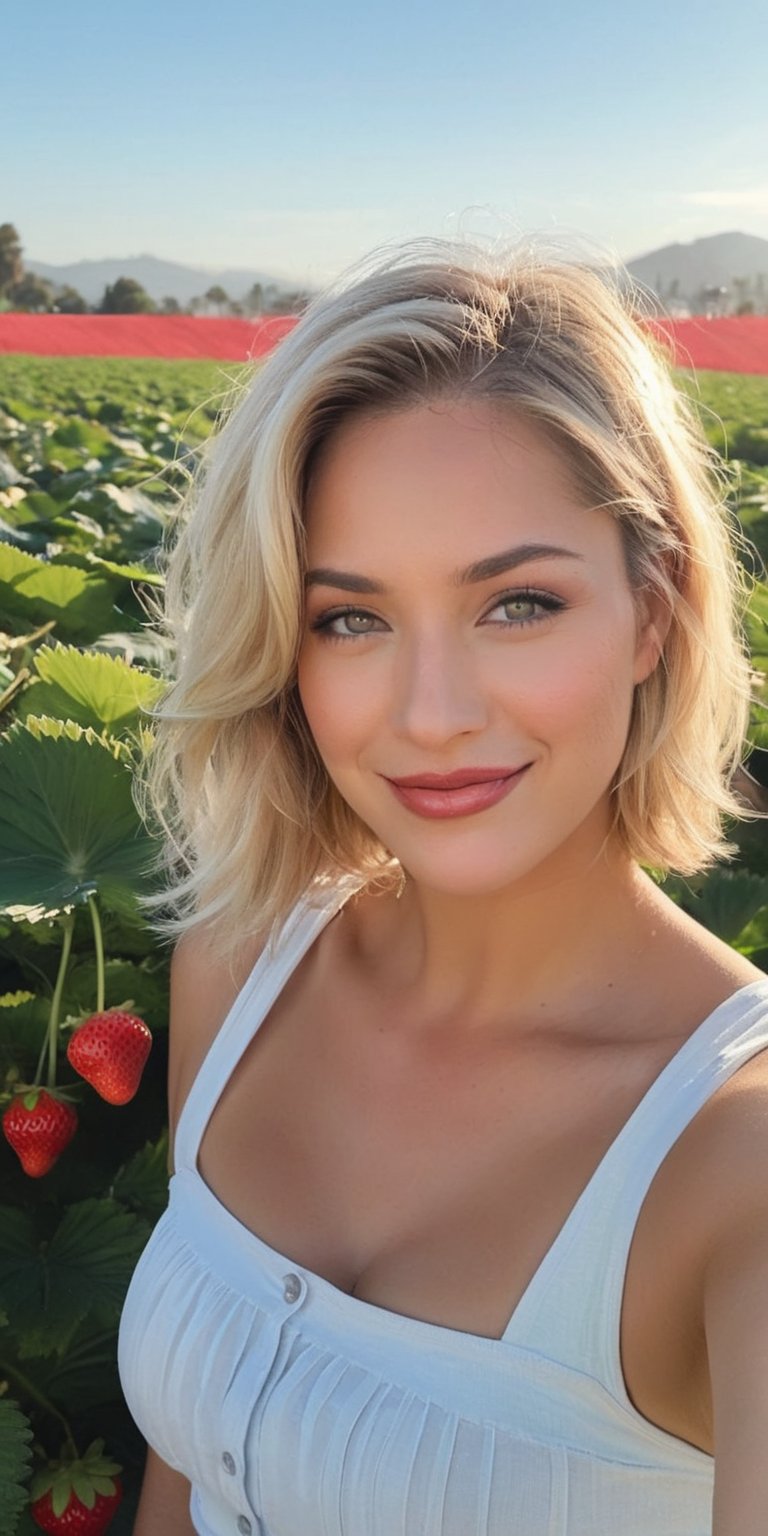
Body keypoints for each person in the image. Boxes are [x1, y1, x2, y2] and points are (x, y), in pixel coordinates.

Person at [118, 235, 768, 1536]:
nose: (430, 714)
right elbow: (181, 1486)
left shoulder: (737, 1161)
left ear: (653, 613)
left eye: (517, 604)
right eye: (349, 617)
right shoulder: (240, 967)